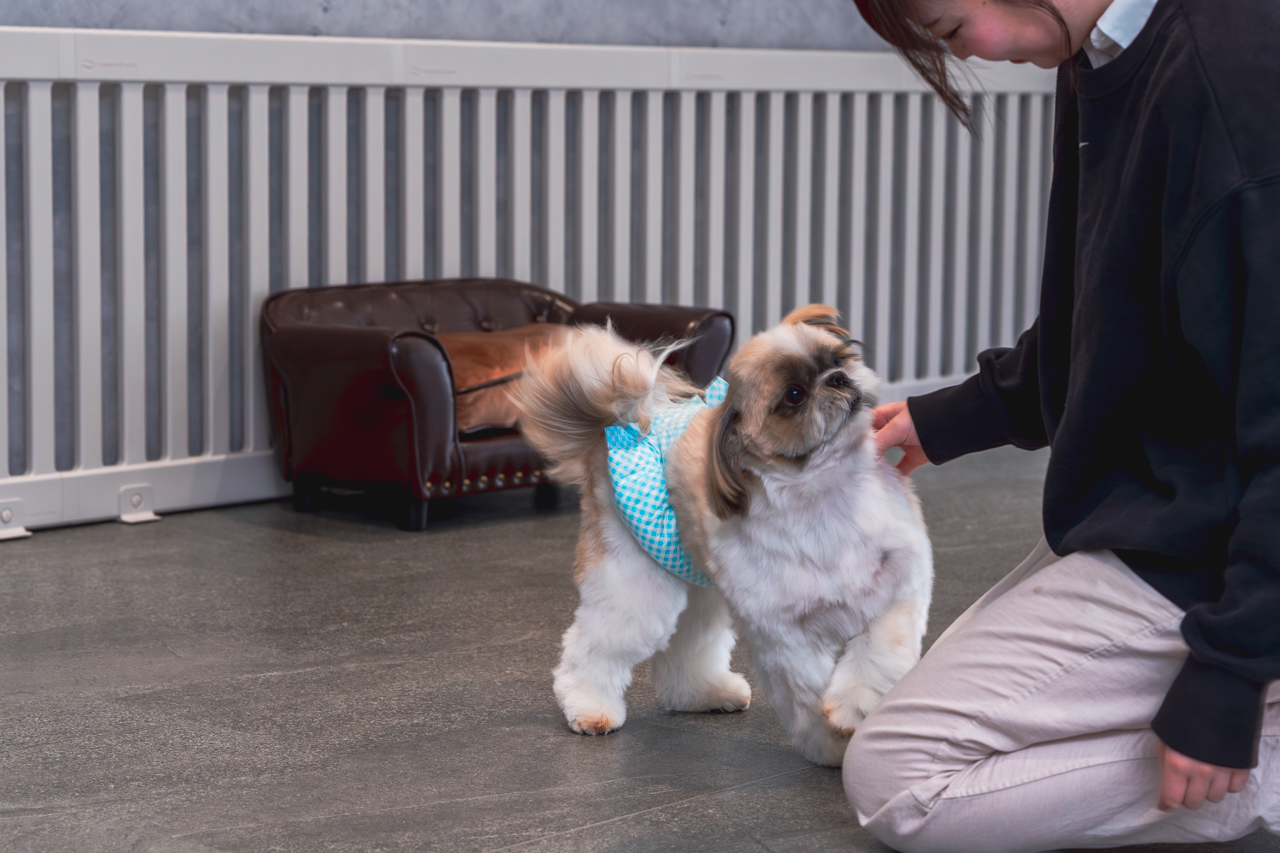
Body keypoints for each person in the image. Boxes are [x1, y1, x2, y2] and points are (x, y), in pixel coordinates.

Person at [842, 0, 1280, 849]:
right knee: (917, 717)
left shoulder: (1234, 79)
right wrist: (949, 416)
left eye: (947, 29)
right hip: (1172, 502)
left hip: (1221, 534)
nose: (969, 56)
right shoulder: (1106, 53)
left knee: (902, 779)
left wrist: (1228, 672)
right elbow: (1112, 314)